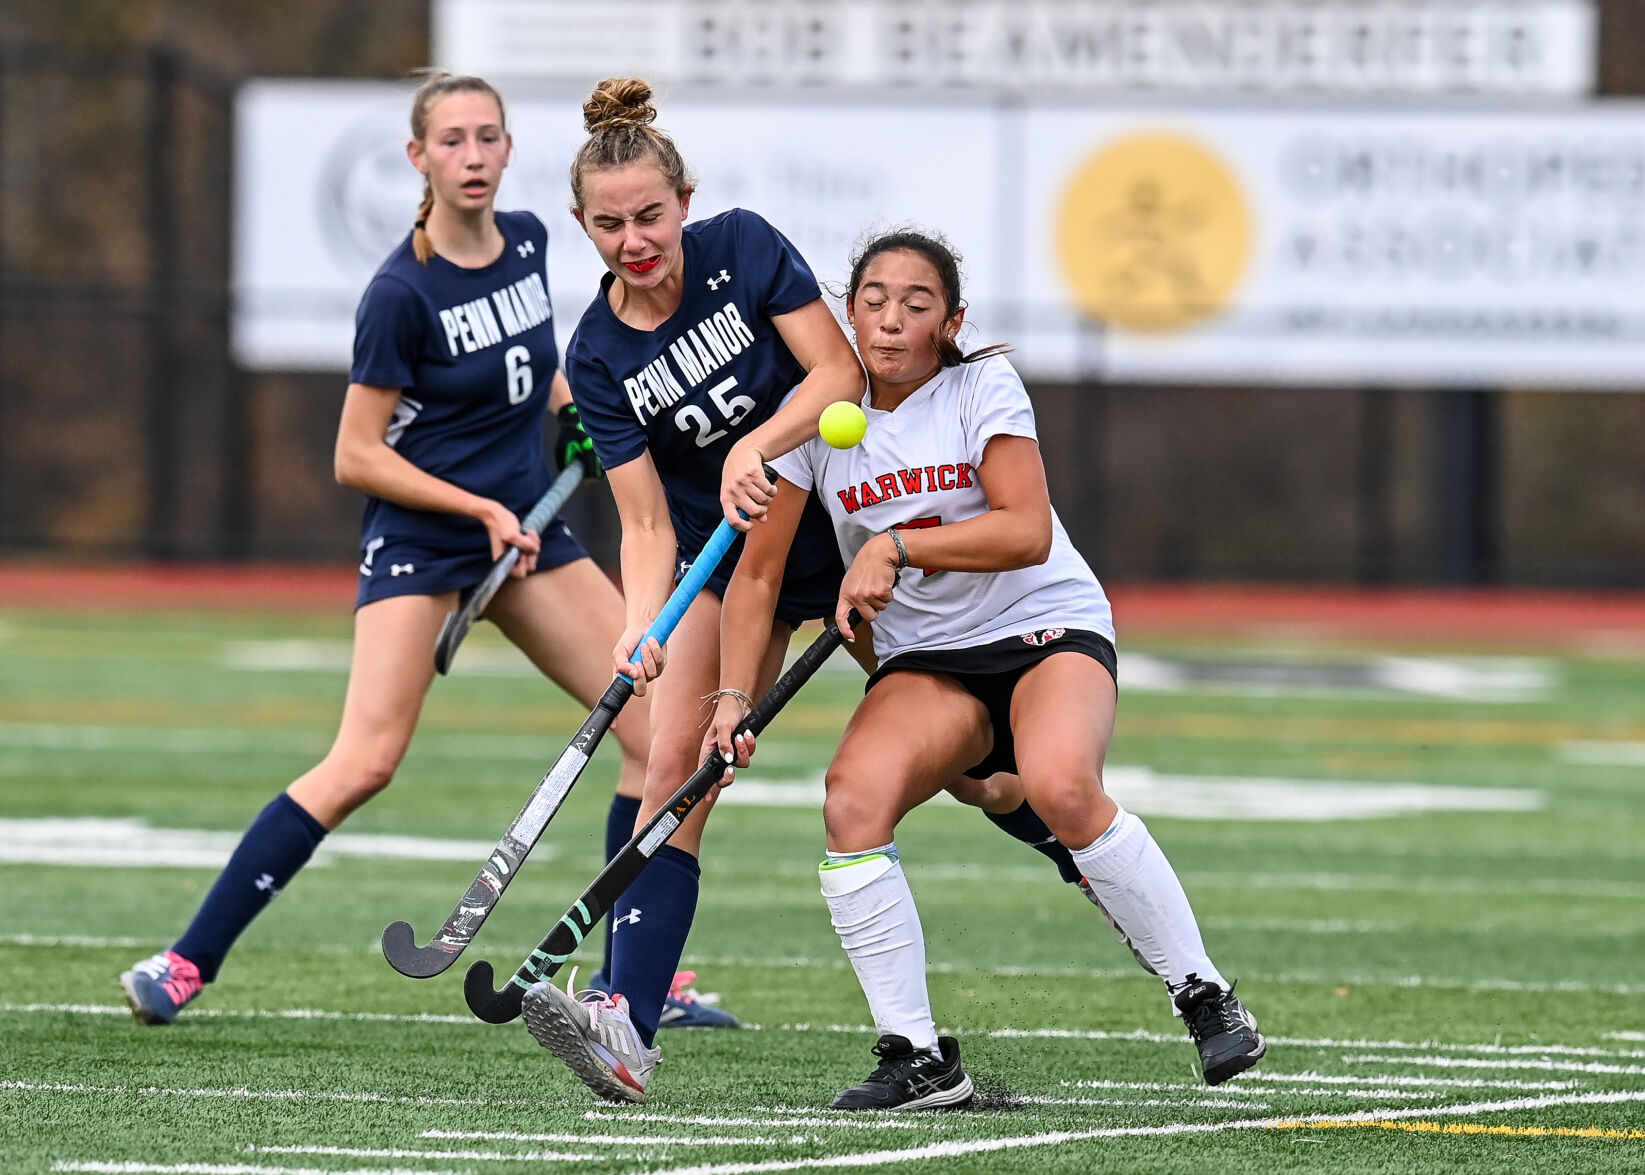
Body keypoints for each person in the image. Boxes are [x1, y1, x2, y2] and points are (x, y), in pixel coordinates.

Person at [517, 80, 1134, 1106]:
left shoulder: (743, 247)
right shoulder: (597, 353)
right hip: (728, 556)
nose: (634, 240)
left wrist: (757, 445)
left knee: (984, 771)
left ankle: (1090, 856)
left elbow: (837, 372)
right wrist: (638, 626)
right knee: (678, 765)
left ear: (685, 201)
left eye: (649, 216)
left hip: (844, 534)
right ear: (583, 225)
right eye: (609, 224)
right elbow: (641, 522)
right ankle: (628, 1022)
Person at [118, 72, 694, 1026]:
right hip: (427, 543)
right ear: (418, 158)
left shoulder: (534, 242)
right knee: (364, 760)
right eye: (452, 140)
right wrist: (472, 507)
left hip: (527, 531)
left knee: (652, 727)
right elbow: (354, 455)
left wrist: (576, 414)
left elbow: (534, 363)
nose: (472, 156)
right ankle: (184, 962)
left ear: (510, 151)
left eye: (488, 138)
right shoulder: (400, 292)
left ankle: (636, 984)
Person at [708, 229, 1267, 1110]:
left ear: (950, 320)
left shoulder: (981, 385)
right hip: (929, 660)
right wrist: (730, 698)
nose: (891, 320)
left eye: (916, 303)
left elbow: (1025, 530)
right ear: (846, 313)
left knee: (1060, 786)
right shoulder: (809, 419)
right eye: (873, 300)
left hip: (1039, 622)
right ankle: (919, 1056)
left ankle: (1201, 990)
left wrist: (896, 542)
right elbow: (761, 574)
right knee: (855, 798)